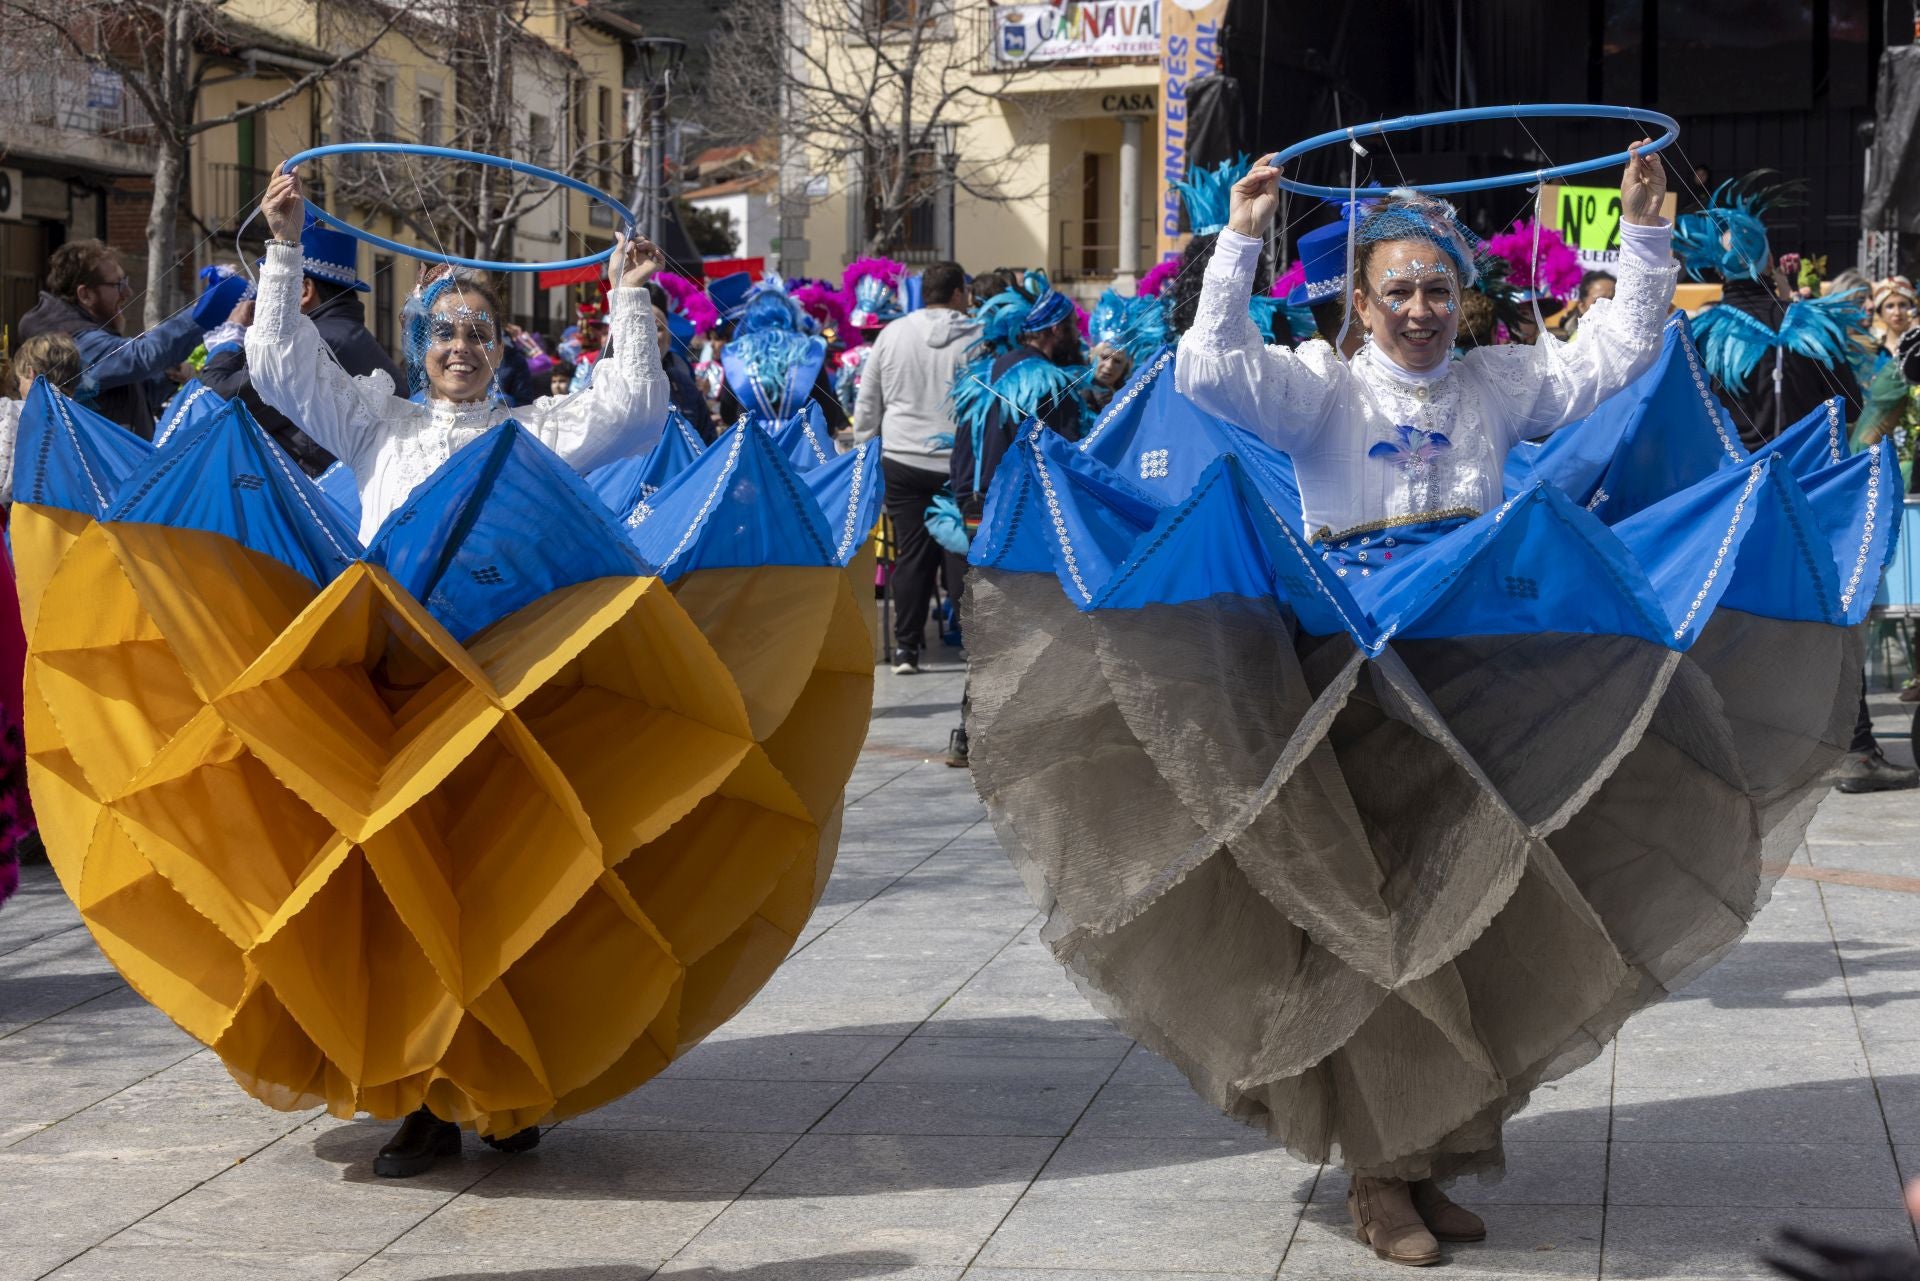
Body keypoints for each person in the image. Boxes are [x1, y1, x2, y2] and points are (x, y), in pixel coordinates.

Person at [1158, 145, 1678, 1265]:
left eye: (1440, 289)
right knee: (1381, 926)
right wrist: (1240, 239)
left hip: (1475, 683)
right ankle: (1378, 1177)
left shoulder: (1496, 382)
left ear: (1466, 299)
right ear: (1360, 302)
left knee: (1471, 917)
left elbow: (1618, 358)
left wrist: (1641, 236)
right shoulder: (1321, 388)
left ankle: (1431, 1151)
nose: (1421, 310)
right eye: (1398, 289)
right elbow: (1208, 370)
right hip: (1354, 685)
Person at [247, 163, 669, 1174]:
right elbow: (277, 365)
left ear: (500, 352)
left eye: (480, 334)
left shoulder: (535, 433)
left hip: (511, 705)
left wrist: (631, 296)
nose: (462, 349)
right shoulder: (378, 425)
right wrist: (284, 247)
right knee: (405, 907)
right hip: (396, 704)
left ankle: (507, 1091)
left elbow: (638, 412)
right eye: (444, 332)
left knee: (505, 896)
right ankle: (427, 1101)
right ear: (417, 345)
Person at [846, 261, 978, 676]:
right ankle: (974, 645)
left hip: (901, 457)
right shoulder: (976, 336)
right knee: (959, 553)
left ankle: (906, 649)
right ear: (958, 293)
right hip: (956, 462)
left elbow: (868, 401)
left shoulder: (892, 333)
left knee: (911, 554)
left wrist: (865, 449)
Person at [198, 219, 406, 476]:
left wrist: (229, 340)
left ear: (305, 291)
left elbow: (212, 402)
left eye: (273, 289)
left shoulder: (314, 346)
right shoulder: (347, 335)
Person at [18, 239, 239, 437]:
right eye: (118, 285)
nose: (128, 292)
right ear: (85, 295)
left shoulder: (84, 335)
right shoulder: (74, 343)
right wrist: (207, 310)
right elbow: (143, 355)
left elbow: (130, 400)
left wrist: (168, 376)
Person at [716, 276, 850, 430]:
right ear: (791, 316)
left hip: (752, 447)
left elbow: (727, 413)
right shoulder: (809, 351)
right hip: (800, 447)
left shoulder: (737, 355)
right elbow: (828, 414)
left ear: (751, 319)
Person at [652, 301, 719, 440]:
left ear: (668, 340)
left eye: (658, 328)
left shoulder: (683, 383)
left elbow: (707, 438)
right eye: (643, 326)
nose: (650, 333)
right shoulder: (611, 381)